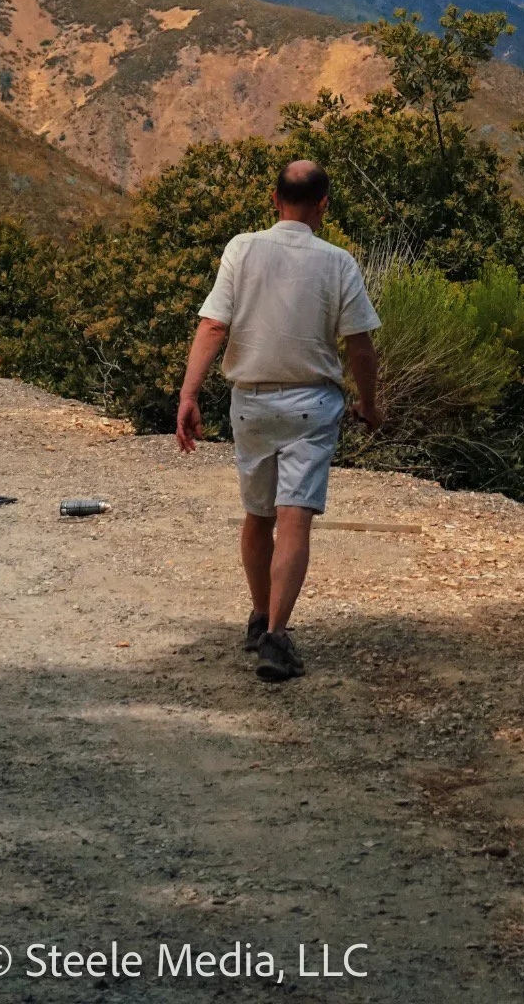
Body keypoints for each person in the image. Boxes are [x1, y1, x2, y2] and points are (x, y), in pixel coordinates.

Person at [175, 158, 383, 683]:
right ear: (324, 205)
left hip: (251, 402)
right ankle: (276, 637)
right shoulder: (338, 263)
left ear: (274, 199)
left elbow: (213, 325)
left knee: (257, 516)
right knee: (294, 519)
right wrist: (370, 403)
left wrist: (188, 394)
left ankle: (259, 616)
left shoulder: (241, 249)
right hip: (312, 405)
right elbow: (360, 345)